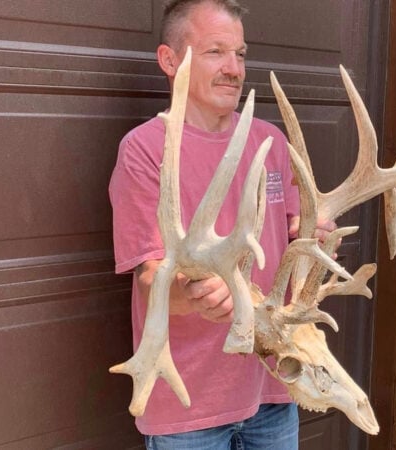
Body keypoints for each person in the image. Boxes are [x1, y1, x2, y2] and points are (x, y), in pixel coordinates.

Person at [109, 0, 335, 448]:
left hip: (274, 383)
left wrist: (316, 241)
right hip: (189, 404)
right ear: (169, 60)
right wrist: (194, 297)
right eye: (215, 52)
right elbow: (148, 278)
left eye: (241, 54)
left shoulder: (270, 140)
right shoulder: (145, 150)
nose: (234, 68)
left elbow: (298, 240)